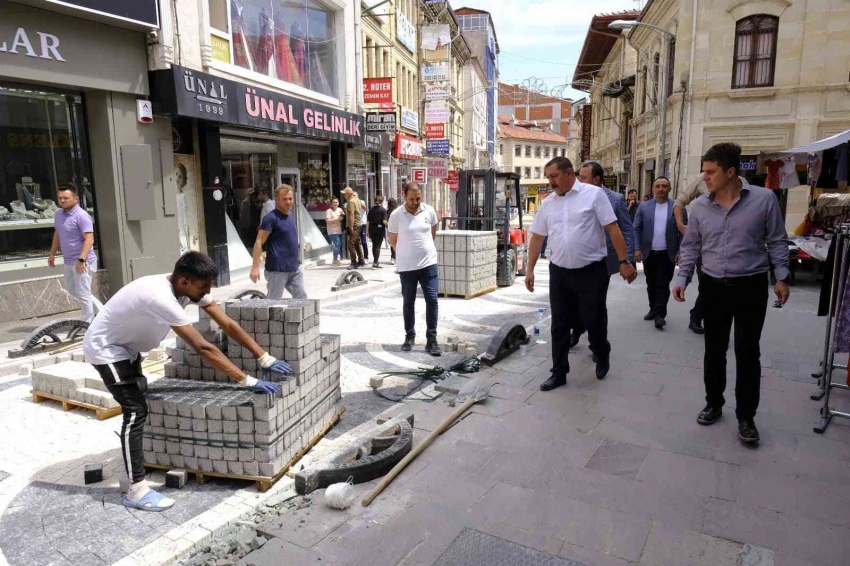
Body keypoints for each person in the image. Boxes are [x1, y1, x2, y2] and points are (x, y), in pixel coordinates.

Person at [83, 252, 289, 511]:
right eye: (203, 287)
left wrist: (264, 356)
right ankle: (135, 490)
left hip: (130, 349)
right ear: (184, 282)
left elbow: (226, 322)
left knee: (142, 399)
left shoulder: (187, 287)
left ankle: (146, 451)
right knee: (135, 411)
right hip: (107, 350)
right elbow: (202, 347)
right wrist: (246, 380)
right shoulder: (160, 297)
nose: (206, 292)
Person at [673, 142, 790, 444]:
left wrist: (781, 277)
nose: (705, 177)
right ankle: (714, 403)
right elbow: (691, 247)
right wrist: (682, 279)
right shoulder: (699, 206)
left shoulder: (764, 200)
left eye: (711, 172)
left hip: (751, 285)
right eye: (704, 171)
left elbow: (777, 240)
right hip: (712, 286)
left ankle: (746, 416)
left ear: (731, 172)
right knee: (714, 349)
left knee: (748, 351)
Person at [526, 157, 636, 391]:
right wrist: (530, 269)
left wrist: (625, 261)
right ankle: (559, 372)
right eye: (548, 177)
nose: (551, 182)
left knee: (593, 318)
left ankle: (602, 351)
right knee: (559, 324)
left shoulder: (594, 195)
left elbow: (613, 228)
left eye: (554, 176)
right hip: (559, 272)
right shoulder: (548, 203)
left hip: (591, 271)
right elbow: (537, 237)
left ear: (568, 173)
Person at [571, 161, 637, 348]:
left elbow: (627, 229)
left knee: (597, 304)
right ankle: (577, 329)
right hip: (578, 259)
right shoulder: (575, 196)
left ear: (597, 179)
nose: (579, 181)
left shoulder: (615, 199)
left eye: (583, 178)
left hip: (602, 261)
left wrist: (628, 260)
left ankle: (598, 345)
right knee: (576, 300)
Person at [388, 182, 441, 356]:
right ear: (404, 196)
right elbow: (393, 240)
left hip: (429, 264)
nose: (415, 202)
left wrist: (424, 251)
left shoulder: (429, 211)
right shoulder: (396, 215)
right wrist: (404, 255)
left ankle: (431, 339)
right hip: (407, 267)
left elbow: (432, 231)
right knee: (408, 302)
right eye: (411, 199)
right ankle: (409, 335)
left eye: (418, 198)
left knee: (432, 300)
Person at [633, 176, 684, 329]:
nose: (661, 189)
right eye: (658, 186)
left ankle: (660, 315)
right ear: (653, 189)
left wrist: (681, 251)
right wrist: (636, 248)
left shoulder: (677, 206)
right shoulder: (644, 206)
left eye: (664, 186)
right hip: (649, 253)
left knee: (663, 284)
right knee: (651, 283)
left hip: (667, 253)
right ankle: (652, 309)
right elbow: (636, 228)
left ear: (669, 188)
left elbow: (683, 231)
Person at [48, 183, 104, 322]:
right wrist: (52, 253)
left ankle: (87, 325)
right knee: (74, 291)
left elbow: (89, 240)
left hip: (83, 261)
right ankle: (104, 315)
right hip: (68, 260)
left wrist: (81, 260)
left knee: (83, 294)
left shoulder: (82, 216)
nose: (62, 201)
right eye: (60, 198)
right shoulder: (58, 214)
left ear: (76, 199)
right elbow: (58, 233)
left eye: (65, 198)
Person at [250, 184, 307, 299]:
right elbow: (258, 242)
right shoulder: (271, 218)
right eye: (284, 199)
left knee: (302, 299)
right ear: (277, 200)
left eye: (290, 199)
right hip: (277, 270)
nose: (288, 202)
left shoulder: (290, 215)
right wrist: (255, 267)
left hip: (294, 268)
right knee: (273, 304)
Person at [342, 187, 365, 269]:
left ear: (348, 193)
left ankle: (354, 263)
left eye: (345, 193)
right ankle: (361, 260)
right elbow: (364, 207)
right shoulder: (357, 200)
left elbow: (351, 214)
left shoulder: (351, 202)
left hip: (354, 225)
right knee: (356, 243)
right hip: (358, 224)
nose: (344, 195)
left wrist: (351, 226)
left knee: (350, 244)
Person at [368, 196, 388, 269]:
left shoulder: (371, 209)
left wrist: (368, 231)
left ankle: (375, 261)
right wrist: (390, 227)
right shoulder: (383, 210)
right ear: (382, 202)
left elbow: (368, 221)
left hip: (372, 229)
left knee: (374, 245)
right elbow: (384, 221)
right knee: (378, 246)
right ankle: (375, 263)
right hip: (379, 230)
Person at [325, 198, 345, 266]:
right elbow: (327, 221)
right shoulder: (329, 211)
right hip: (332, 230)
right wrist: (337, 219)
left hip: (339, 230)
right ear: (331, 203)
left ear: (338, 203)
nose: (335, 203)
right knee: (337, 244)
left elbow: (343, 217)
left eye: (336, 202)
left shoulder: (340, 210)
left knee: (339, 245)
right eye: (334, 202)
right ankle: (335, 260)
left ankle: (336, 258)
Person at [386, 198, 399, 265]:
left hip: (390, 229)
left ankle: (393, 257)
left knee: (392, 243)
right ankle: (395, 257)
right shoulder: (398, 211)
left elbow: (386, 220)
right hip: (398, 229)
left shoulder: (388, 211)